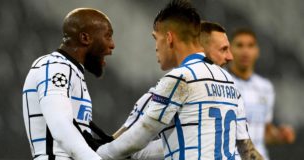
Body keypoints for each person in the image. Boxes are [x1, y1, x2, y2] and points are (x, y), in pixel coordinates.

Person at [88, 1, 253, 159]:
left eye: (155, 38)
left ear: (169, 38)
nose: (155, 47)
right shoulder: (228, 80)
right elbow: (238, 148)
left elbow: (141, 135)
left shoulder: (181, 78)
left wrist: (97, 154)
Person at [22, 8, 115, 160]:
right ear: (85, 38)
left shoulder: (71, 71)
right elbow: (61, 128)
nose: (112, 45)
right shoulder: (53, 66)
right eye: (108, 36)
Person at [229, 28, 296, 160]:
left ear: (257, 51)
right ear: (230, 49)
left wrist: (279, 136)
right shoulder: (223, 83)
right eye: (239, 45)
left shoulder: (265, 87)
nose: (245, 51)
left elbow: (264, 132)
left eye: (250, 45)